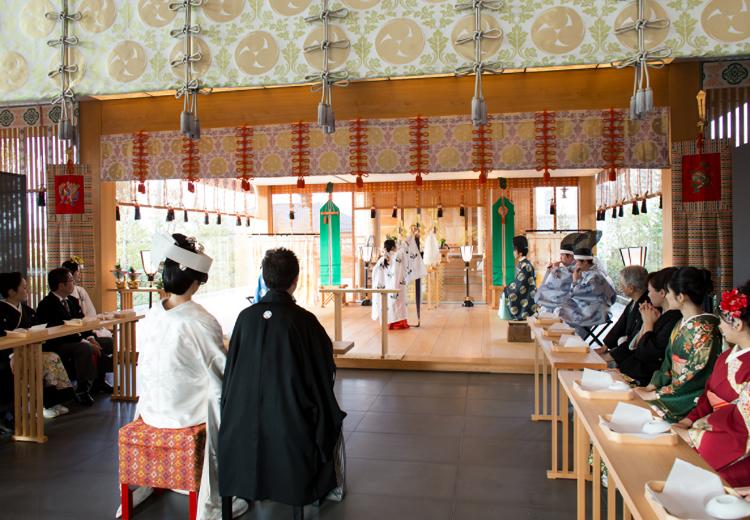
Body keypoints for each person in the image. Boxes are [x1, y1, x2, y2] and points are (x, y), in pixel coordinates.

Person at [117, 233, 248, 519]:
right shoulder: (199, 320)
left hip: (151, 409)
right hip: (184, 412)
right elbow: (220, 371)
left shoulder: (152, 313)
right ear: (196, 281)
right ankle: (219, 492)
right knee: (231, 401)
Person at [219, 248, 346, 516]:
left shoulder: (245, 318)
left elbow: (231, 371)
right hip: (291, 419)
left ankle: (245, 488)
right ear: (295, 280)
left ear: (264, 279)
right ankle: (306, 490)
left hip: (240, 420)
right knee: (321, 414)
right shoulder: (304, 321)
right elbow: (324, 370)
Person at [671, 282, 750, 487]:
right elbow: (708, 395)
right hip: (709, 429)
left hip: (736, 448)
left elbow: (742, 426)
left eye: (723, 320)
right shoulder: (727, 355)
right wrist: (688, 421)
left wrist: (692, 435)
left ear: (738, 323)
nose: (720, 325)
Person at [636, 267, 722, 423]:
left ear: (681, 297)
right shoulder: (680, 323)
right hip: (672, 390)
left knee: (638, 412)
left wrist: (656, 395)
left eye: (668, 292)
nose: (667, 296)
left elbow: (694, 377)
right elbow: (668, 362)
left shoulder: (705, 330)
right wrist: (651, 386)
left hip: (687, 398)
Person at [0, 273, 74, 419]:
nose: (27, 290)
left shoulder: (28, 311)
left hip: (29, 350)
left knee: (52, 357)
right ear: (11, 291)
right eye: (24, 287)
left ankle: (52, 402)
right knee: (40, 362)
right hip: (9, 354)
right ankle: (34, 406)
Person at [35, 268, 102, 406]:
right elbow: (58, 332)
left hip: (75, 339)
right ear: (61, 285)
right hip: (58, 343)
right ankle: (83, 390)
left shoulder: (71, 300)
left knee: (107, 342)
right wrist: (85, 342)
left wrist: (90, 338)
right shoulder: (47, 304)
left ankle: (98, 382)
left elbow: (83, 323)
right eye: (71, 280)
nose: (74, 283)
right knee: (84, 348)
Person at [610, 267, 682, 386]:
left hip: (647, 377)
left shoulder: (674, 319)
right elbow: (634, 344)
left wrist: (648, 324)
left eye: (649, 291)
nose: (648, 295)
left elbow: (646, 354)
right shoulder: (661, 314)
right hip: (636, 368)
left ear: (663, 293)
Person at [558, 245, 616, 336]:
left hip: (598, 311)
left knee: (562, 312)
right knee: (561, 308)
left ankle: (575, 341)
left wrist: (575, 281)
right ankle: (570, 338)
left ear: (585, 262)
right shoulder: (590, 270)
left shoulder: (596, 277)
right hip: (591, 306)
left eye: (577, 261)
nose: (575, 264)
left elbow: (577, 294)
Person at [371, 234, 427, 330]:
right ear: (394, 247)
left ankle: (388, 323)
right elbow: (406, 246)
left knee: (388, 304)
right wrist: (413, 235)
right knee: (399, 304)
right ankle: (400, 323)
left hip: (386, 289)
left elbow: (375, 274)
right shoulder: (398, 254)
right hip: (399, 286)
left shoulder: (382, 260)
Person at [601, 266, 650, 355]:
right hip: (623, 349)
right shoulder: (635, 301)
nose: (620, 288)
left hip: (631, 354)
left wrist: (611, 355)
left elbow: (633, 339)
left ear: (631, 288)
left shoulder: (646, 306)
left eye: (622, 285)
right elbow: (621, 324)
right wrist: (604, 347)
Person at [62, 257, 113, 340]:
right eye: (78, 272)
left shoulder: (80, 291)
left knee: (108, 337)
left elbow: (91, 313)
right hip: (75, 333)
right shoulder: (60, 298)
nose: (80, 274)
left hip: (86, 328)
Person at [535, 232, 578, 312]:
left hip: (565, 305)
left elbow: (563, 281)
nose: (560, 258)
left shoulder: (576, 267)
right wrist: (552, 270)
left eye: (562, 255)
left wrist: (554, 270)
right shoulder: (568, 268)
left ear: (570, 256)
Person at [503, 235, 538, 320]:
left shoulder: (526, 266)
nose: (513, 252)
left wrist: (507, 289)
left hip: (527, 301)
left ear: (520, 252)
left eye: (515, 250)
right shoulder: (523, 264)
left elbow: (520, 285)